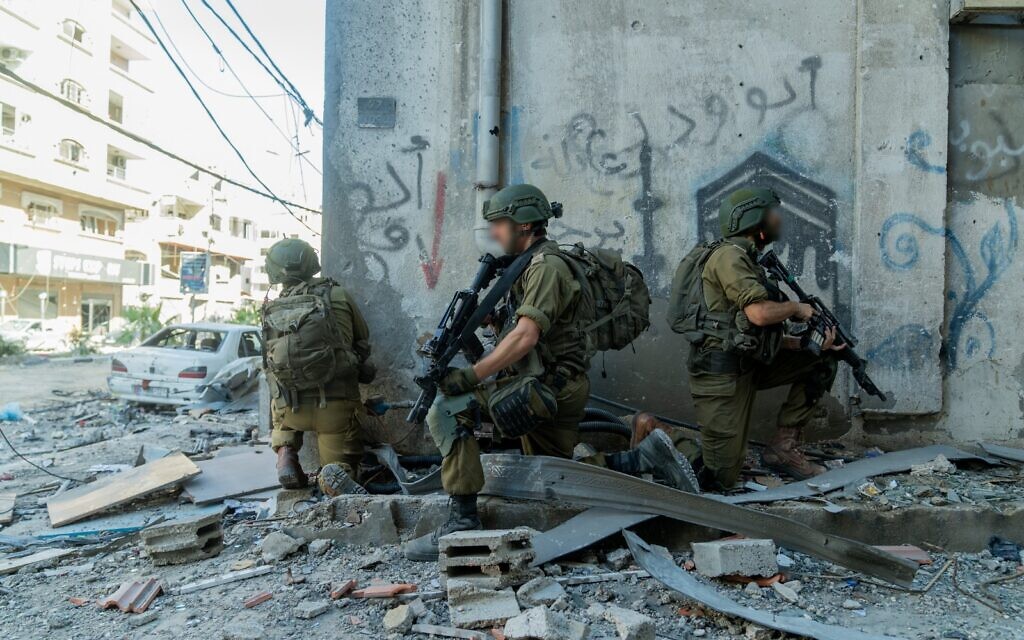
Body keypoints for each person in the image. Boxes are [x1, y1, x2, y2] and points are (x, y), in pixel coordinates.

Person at [404, 184, 694, 562]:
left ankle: (461, 520)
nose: (494, 233)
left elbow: (527, 336)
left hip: (547, 387)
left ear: (524, 225)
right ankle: (642, 460)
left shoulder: (547, 267)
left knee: (446, 409)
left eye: (500, 225)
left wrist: (471, 376)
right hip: (543, 382)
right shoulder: (527, 266)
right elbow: (523, 333)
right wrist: (495, 323)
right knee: (556, 479)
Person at [674, 187, 843, 491]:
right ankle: (655, 430)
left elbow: (749, 331)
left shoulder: (750, 259)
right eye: (772, 213)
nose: (778, 219)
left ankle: (782, 449)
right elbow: (759, 315)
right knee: (718, 478)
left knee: (821, 357)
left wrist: (807, 344)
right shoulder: (728, 257)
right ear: (752, 218)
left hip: (750, 362)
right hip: (721, 374)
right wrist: (796, 309)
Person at [262, 238, 376, 497]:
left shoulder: (273, 307)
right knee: (339, 469)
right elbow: (362, 337)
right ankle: (332, 479)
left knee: (277, 390)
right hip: (335, 405)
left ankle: (286, 454)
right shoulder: (336, 294)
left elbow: (268, 360)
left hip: (290, 407)